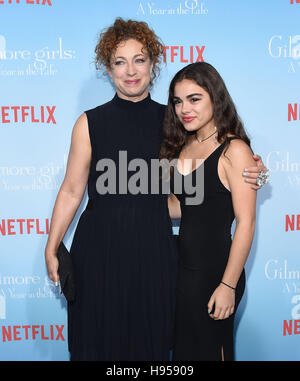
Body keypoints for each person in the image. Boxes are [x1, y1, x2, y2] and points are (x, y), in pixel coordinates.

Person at [44, 18, 267, 361]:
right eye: (120, 61)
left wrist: (259, 173)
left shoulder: (177, 122)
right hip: (98, 252)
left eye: (140, 60)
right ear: (108, 68)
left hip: (155, 254)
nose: (130, 71)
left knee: (152, 348)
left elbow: (210, 179)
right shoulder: (88, 123)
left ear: (153, 64)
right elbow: (72, 191)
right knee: (96, 346)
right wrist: (52, 244)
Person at [160, 62, 260, 361]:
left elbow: (246, 222)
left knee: (213, 352)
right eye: (177, 101)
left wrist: (228, 285)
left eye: (194, 99)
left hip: (217, 272)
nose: (184, 109)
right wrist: (133, 208)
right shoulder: (183, 145)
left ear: (215, 97)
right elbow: (182, 206)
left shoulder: (235, 150)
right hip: (183, 271)